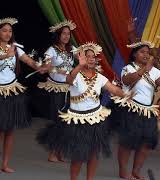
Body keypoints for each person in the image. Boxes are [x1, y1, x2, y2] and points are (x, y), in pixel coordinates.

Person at [37, 42, 129, 180]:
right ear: (82, 58)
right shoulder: (76, 75)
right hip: (77, 120)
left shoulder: (99, 77)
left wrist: (126, 95)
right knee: (78, 155)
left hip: (95, 119)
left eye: (93, 57)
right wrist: (79, 65)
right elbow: (68, 80)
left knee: (93, 153)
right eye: (88, 56)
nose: (91, 59)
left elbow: (114, 89)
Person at [0, 17, 48, 173]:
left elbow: (29, 61)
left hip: (12, 91)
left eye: (10, 31)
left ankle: (5, 163)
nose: (8, 33)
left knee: (9, 130)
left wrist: (39, 66)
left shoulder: (15, 48)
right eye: (4, 30)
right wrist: (5, 56)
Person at [111, 41, 160, 180]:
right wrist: (145, 69)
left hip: (147, 111)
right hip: (131, 108)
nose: (146, 55)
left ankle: (136, 171)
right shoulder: (128, 68)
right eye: (142, 52)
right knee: (128, 142)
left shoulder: (155, 71)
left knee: (146, 142)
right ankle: (123, 171)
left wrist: (153, 68)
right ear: (134, 54)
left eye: (147, 52)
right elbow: (127, 81)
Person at [36, 19, 76, 162]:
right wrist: (45, 67)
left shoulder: (71, 50)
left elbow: (83, 58)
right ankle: (52, 152)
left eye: (68, 34)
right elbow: (47, 65)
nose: (66, 36)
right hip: (56, 89)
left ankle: (60, 151)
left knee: (66, 121)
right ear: (58, 35)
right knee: (56, 119)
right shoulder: (51, 50)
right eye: (63, 33)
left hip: (69, 89)